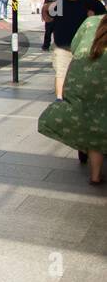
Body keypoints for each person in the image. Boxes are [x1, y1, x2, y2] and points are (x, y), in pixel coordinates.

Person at [38, 14, 107, 185]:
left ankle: (95, 176)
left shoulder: (91, 21)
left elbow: (75, 47)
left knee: (93, 123)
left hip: (80, 79)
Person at [44, 0, 106, 100]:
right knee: (61, 73)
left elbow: (103, 22)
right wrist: (46, 10)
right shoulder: (60, 3)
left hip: (84, 48)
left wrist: (92, 17)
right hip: (62, 46)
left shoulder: (91, 3)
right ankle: (60, 100)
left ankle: (81, 98)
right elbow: (48, 18)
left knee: (82, 75)